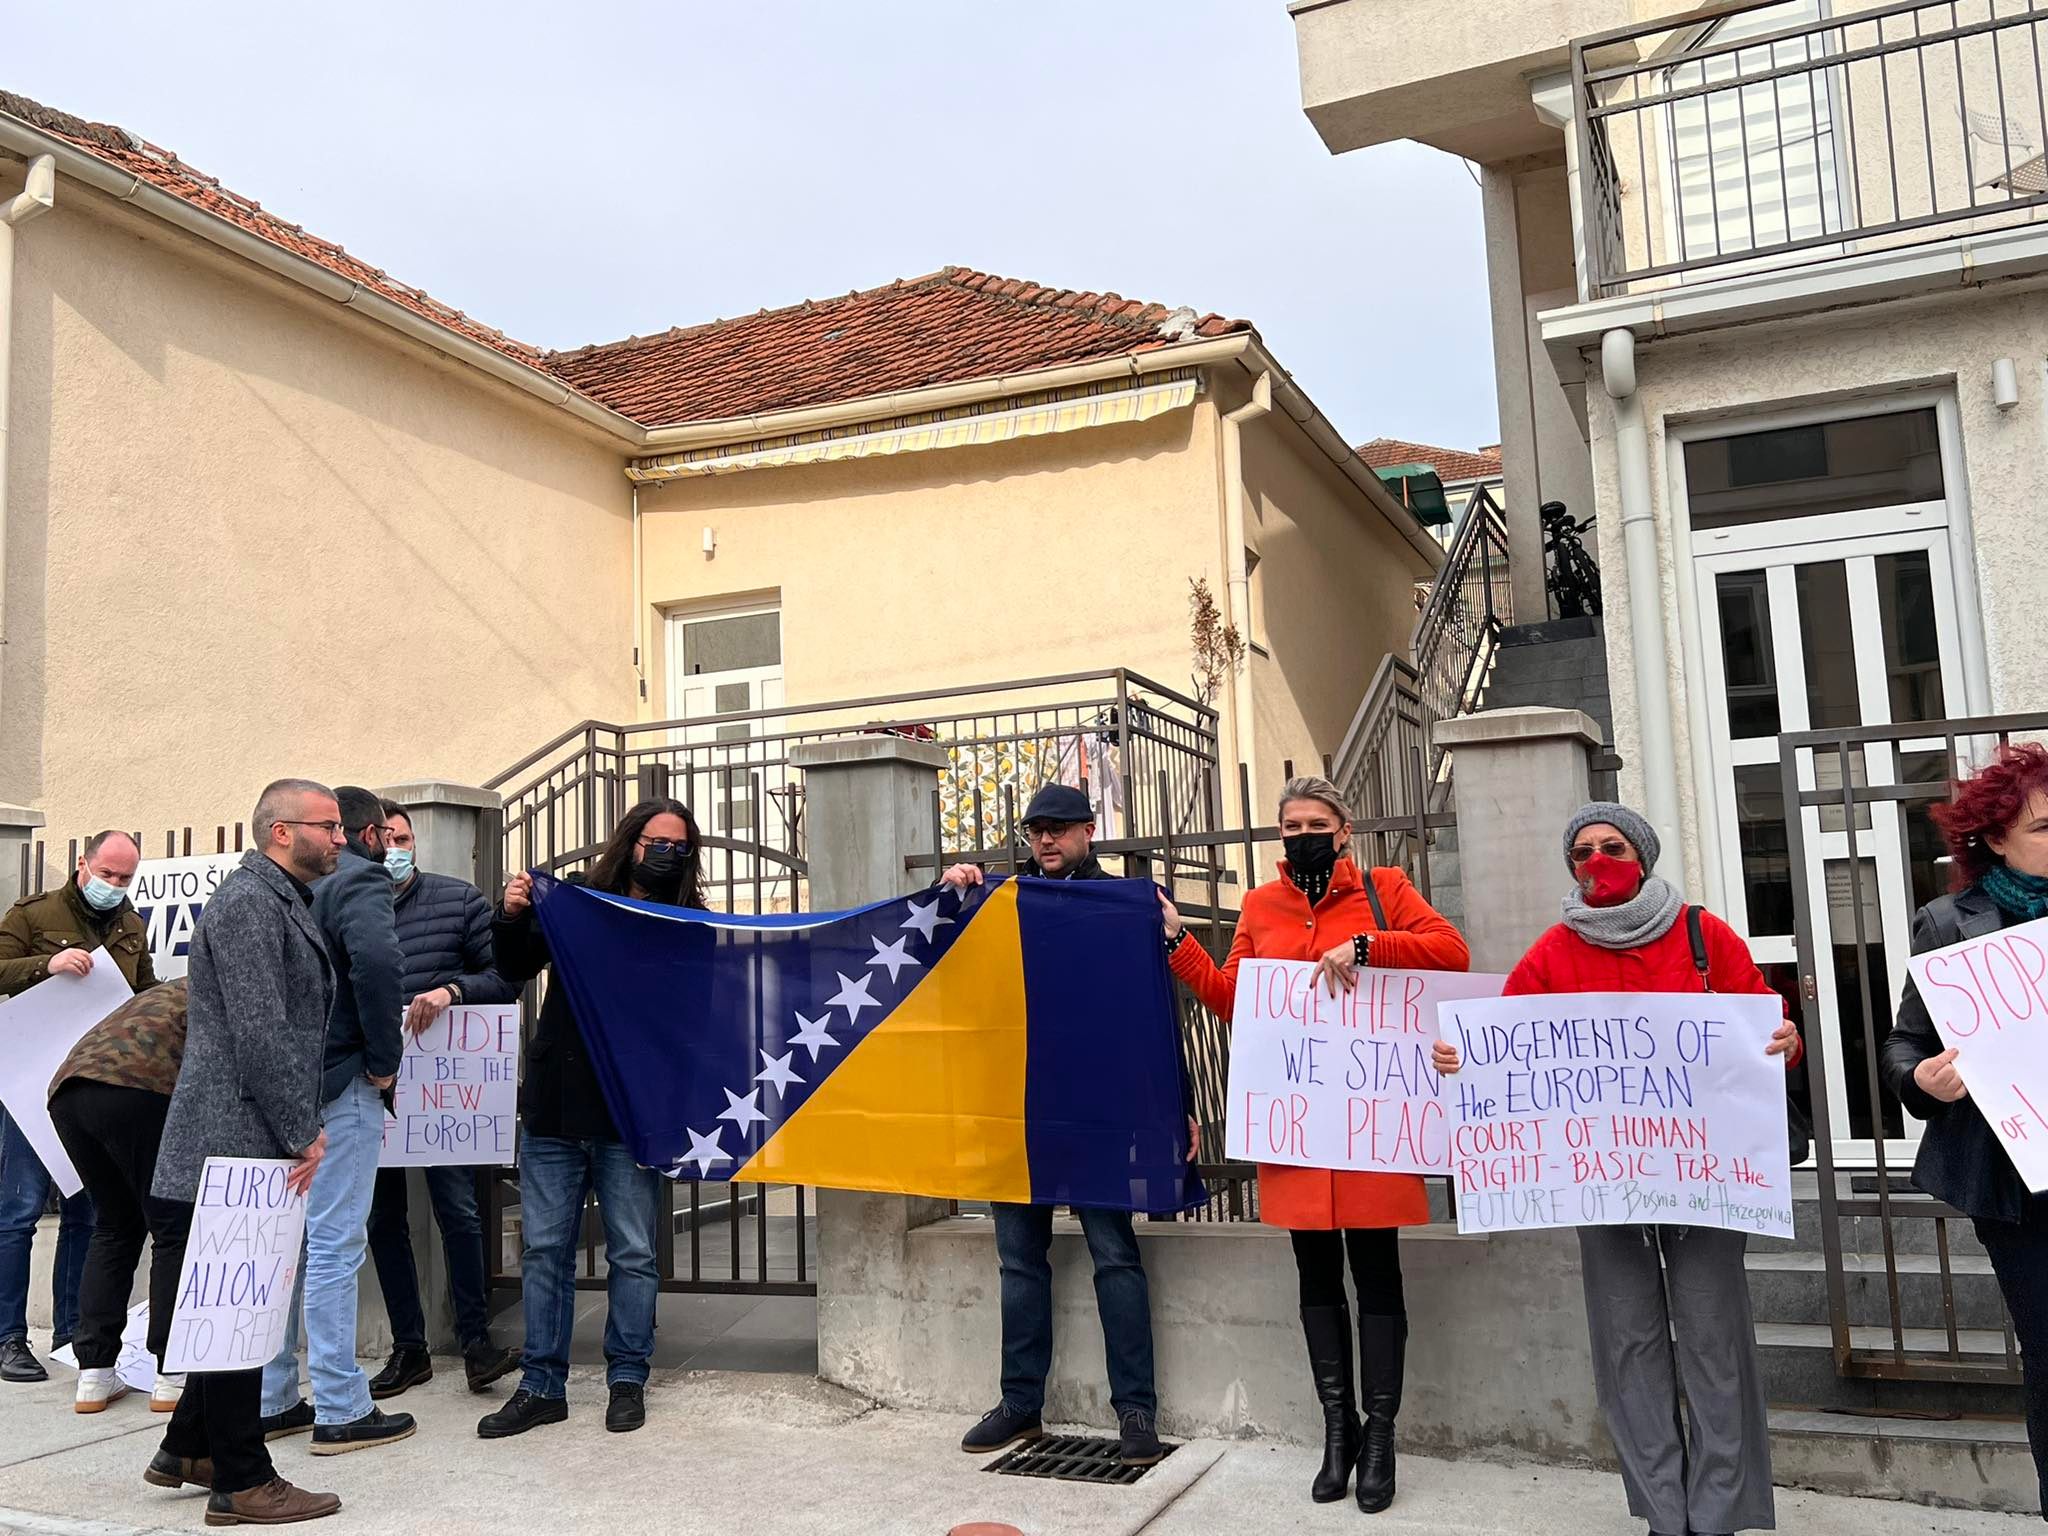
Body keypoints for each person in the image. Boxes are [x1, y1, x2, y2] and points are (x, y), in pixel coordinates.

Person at [1435, 802, 1801, 1536]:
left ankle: (1718, 1512)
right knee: (1628, 1342)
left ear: (1643, 853)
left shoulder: (1705, 934)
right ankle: (1666, 1515)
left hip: (1707, 1179)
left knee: (1712, 1336)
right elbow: (1510, 1050)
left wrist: (1784, 1038)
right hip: (1601, 1182)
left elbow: (1762, 1023)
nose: (1596, 861)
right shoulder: (1550, 954)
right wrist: (1464, 1060)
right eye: (1581, 851)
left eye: (1611, 846)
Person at [1162, 775, 1468, 1513]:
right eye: (1289, 823)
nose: (1300, 833)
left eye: (1314, 822)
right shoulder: (1260, 907)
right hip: (1300, 1134)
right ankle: (1340, 1430)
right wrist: (1176, 940)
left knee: (1379, 1276)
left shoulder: (1384, 888)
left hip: (1367, 1132)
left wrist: (1367, 945)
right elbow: (1235, 996)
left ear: (1343, 831)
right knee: (1316, 1278)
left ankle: (1382, 1435)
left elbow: (1450, 953)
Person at [944, 783, 1198, 1470]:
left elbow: (1159, 1011)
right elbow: (941, 960)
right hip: (1020, 1108)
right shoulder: (1002, 904)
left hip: (1102, 1109)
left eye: (1059, 829)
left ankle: (1136, 1409)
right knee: (1019, 1260)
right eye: (1035, 831)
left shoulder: (1125, 905)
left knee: (1115, 1256)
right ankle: (1020, 1401)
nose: (1046, 840)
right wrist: (953, 889)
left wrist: (1183, 1102)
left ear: (1090, 831)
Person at [147, 778, 345, 1525]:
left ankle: (187, 1449)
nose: (341, 837)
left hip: (239, 1139)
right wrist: (305, 1130)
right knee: (234, 1311)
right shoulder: (249, 904)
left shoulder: (277, 901)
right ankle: (242, 1481)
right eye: (327, 826)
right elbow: (263, 1034)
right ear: (282, 832)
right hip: (228, 1144)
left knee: (229, 1304)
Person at [476, 799, 701, 1440]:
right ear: (630, 842)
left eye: (679, 846)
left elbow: (698, 1019)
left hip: (632, 1115)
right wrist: (511, 914)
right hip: (556, 1105)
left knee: (633, 1252)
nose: (666, 854)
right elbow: (516, 966)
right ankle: (541, 1385)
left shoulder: (690, 922)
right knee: (546, 1251)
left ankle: (627, 1379)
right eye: (656, 841)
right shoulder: (578, 901)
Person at [1883, 742, 2048, 1520]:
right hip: (2017, 1183)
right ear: (1992, 838)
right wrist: (1921, 1080)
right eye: (2046, 826)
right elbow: (1904, 1043)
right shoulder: (1950, 925)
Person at [260, 786, 415, 1454]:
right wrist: (385, 1061)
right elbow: (379, 966)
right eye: (384, 831)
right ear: (366, 831)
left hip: (290, 1083)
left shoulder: (285, 886)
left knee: (291, 1245)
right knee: (334, 1243)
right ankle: (342, 1406)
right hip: (344, 1075)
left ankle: (274, 1396)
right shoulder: (361, 881)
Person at [363, 799, 519, 1399]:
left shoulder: (458, 900)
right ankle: (410, 1349)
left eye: (402, 838)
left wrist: (452, 990)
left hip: (442, 1096)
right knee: (384, 1219)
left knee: (458, 1212)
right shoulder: (346, 906)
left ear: (413, 845)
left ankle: (477, 1342)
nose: (393, 849)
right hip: (372, 1086)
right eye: (383, 839)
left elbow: (503, 978)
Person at [0, 828, 155, 1385]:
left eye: (125, 878)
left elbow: (144, 994)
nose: (115, 886)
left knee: (88, 1211)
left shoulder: (131, 925)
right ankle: (9, 1338)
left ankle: (72, 1332)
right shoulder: (33, 915)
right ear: (83, 865)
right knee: (17, 1212)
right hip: (29, 1076)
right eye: (107, 874)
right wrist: (47, 965)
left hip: (93, 1088)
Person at [48, 979, 192, 1414]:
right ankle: (173, 1374)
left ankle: (94, 1374)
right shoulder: (227, 990)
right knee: (174, 1229)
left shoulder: (168, 992)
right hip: (138, 1087)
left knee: (114, 1225)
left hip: (68, 1090)